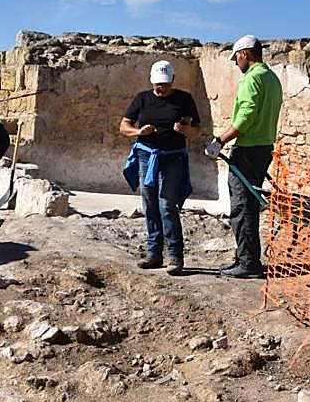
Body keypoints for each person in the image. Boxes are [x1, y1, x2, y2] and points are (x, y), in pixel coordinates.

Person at [204, 35, 283, 279]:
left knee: (242, 206)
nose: (237, 63)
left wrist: (220, 141)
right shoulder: (271, 77)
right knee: (247, 204)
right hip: (263, 146)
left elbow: (245, 117)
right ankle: (244, 257)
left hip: (248, 148)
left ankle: (248, 262)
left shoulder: (253, 78)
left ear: (245, 54)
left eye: (236, 57)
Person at [120, 60, 201, 275]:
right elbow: (124, 126)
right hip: (147, 157)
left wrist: (184, 129)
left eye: (165, 84)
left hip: (173, 158)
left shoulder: (184, 99)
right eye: (157, 84)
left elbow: (197, 131)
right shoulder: (142, 99)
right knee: (150, 204)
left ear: (172, 81)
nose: (161, 88)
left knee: (167, 205)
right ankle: (153, 253)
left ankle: (175, 255)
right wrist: (139, 132)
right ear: (151, 81)